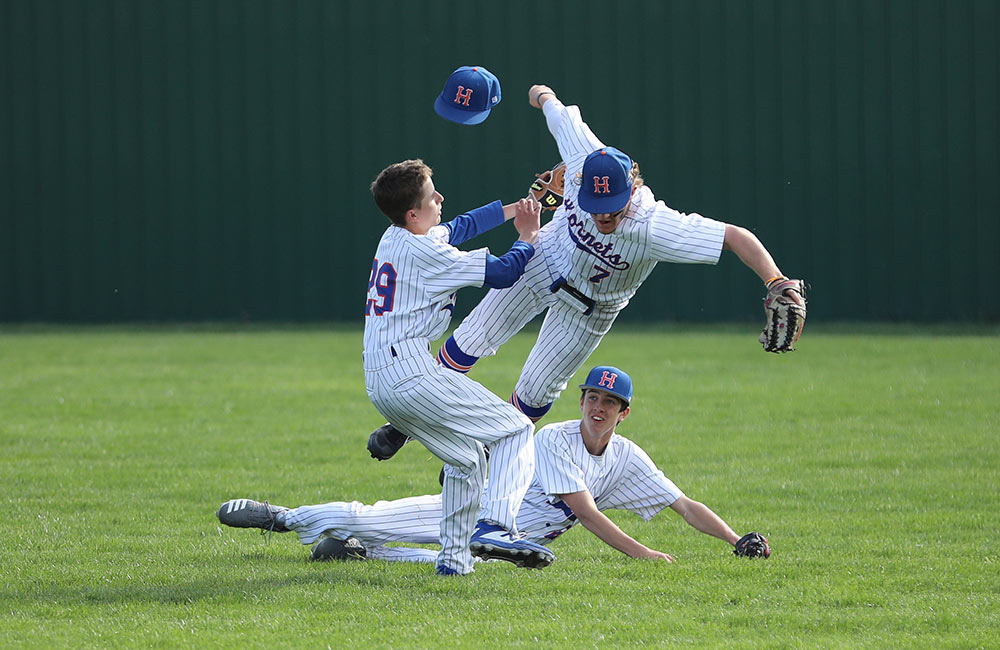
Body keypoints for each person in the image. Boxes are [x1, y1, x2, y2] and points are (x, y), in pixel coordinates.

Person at [368, 84, 805, 465]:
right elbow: (547, 99)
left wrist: (776, 281)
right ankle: (403, 427)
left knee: (535, 391)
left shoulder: (653, 224)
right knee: (468, 341)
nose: (602, 217)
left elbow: (734, 236)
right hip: (541, 261)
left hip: (589, 309)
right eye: (594, 207)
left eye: (612, 206)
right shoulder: (582, 157)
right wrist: (540, 96)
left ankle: (488, 453)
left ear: (632, 187)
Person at [221, 159, 553, 576]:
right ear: (413, 212)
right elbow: (505, 272)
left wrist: (519, 207)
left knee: (468, 461)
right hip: (411, 371)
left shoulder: (395, 236)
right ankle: (497, 526)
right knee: (515, 428)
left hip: (382, 379)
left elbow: (461, 225)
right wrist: (529, 235)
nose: (440, 198)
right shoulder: (426, 252)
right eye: (433, 195)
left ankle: (453, 563)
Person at [217, 366, 769, 564]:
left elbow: (684, 505)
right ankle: (281, 516)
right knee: (371, 515)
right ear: (581, 402)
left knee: (462, 568)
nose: (597, 408)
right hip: (475, 514)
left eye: (609, 403)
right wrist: (646, 554)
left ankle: (357, 556)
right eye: (591, 398)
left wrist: (735, 538)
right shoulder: (555, 438)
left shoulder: (625, 457)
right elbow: (587, 513)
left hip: (513, 546)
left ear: (624, 414)